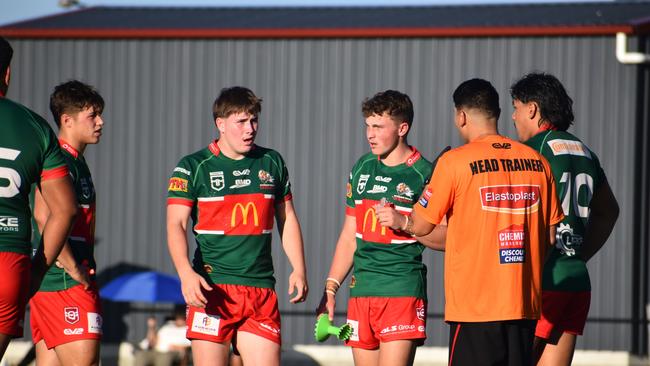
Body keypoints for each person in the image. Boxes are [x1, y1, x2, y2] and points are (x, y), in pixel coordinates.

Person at [390, 78, 565, 366]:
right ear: (496, 113)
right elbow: (548, 237)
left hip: (474, 309)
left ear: (461, 116)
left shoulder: (455, 162)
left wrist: (402, 220)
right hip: (524, 307)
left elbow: (421, 226)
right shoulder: (537, 161)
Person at [166, 86, 308, 366]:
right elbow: (175, 224)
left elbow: (287, 217)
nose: (250, 128)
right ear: (220, 124)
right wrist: (184, 273)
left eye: (254, 120)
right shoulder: (194, 166)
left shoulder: (272, 161)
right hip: (213, 290)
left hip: (260, 290)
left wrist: (299, 268)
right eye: (241, 122)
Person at [317, 90, 440, 366]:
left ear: (402, 128)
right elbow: (350, 234)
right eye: (367, 126)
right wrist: (331, 288)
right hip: (361, 292)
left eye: (378, 127)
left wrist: (405, 223)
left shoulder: (424, 173)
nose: (369, 134)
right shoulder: (362, 167)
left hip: (401, 290)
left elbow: (448, 236)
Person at [510, 73, 619, 366]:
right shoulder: (584, 151)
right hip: (576, 280)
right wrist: (579, 255)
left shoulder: (533, 151)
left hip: (543, 279)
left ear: (532, 109)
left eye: (516, 107)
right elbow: (610, 211)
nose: (513, 116)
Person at [0, 37, 77, 360]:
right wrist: (37, 270)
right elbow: (65, 210)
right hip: (9, 260)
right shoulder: (34, 127)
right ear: (7, 74)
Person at [30, 80, 105, 366]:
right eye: (92, 115)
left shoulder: (76, 161)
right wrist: (74, 268)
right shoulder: (57, 158)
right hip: (64, 284)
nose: (100, 121)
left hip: (55, 285)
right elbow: (43, 214)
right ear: (67, 121)